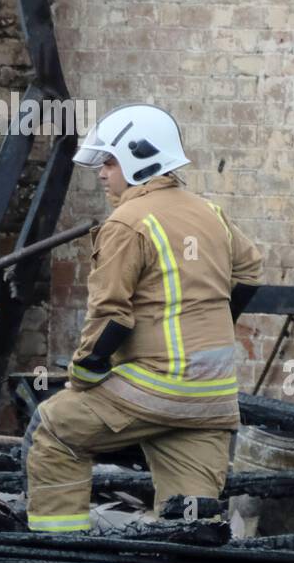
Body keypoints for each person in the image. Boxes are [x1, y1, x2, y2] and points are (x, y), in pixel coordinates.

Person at [24, 104, 262, 533]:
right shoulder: (211, 213)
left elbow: (111, 315)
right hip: (211, 397)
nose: (102, 172)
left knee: (55, 428)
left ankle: (61, 557)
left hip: (154, 385)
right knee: (190, 518)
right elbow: (250, 271)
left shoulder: (128, 222)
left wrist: (83, 374)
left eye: (110, 161)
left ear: (140, 158)